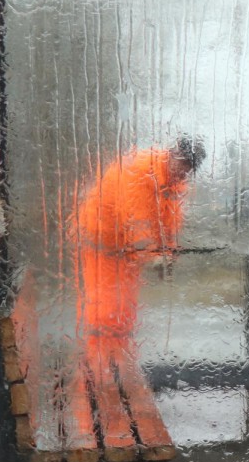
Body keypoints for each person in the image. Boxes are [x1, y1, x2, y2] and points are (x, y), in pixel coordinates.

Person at [74, 136, 205, 396]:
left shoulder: (174, 181)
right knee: (104, 309)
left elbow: (170, 218)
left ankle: (117, 369)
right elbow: (137, 219)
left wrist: (168, 252)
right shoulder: (140, 170)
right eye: (182, 166)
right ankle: (96, 376)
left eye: (188, 171)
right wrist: (153, 255)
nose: (183, 174)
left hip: (126, 251)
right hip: (103, 242)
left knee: (125, 310)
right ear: (173, 154)